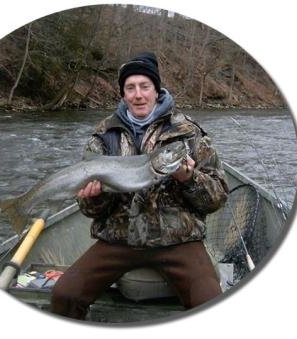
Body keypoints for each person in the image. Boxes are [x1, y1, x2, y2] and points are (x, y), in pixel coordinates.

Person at [50, 52, 229, 320]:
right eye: (130, 88)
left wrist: (189, 179)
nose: (138, 95)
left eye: (145, 86)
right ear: (123, 94)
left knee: (211, 303)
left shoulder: (188, 133)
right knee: (64, 296)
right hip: (118, 239)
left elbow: (216, 198)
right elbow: (89, 210)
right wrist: (93, 197)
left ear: (157, 90)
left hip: (178, 240)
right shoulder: (104, 135)